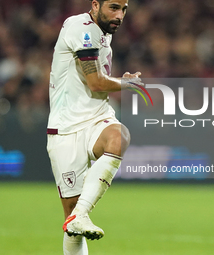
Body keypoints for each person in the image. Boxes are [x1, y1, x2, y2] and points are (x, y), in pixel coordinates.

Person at [47, 0, 142, 254]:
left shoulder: (102, 33)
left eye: (124, 9)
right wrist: (125, 84)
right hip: (66, 128)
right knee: (71, 223)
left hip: (97, 117)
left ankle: (82, 213)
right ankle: (78, 215)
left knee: (118, 136)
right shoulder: (81, 28)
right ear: (95, 5)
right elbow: (96, 83)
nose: (119, 15)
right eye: (113, 7)